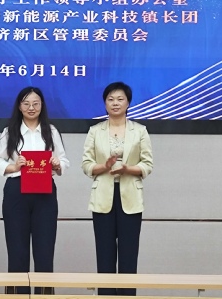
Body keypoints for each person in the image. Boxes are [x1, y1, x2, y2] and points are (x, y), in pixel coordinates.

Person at [0, 86, 69, 294]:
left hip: (45, 192)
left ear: (42, 105)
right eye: (26, 103)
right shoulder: (10, 131)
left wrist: (57, 164)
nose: (31, 107)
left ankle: (44, 296)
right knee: (17, 252)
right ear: (19, 106)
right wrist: (14, 167)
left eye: (35, 103)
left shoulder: (51, 131)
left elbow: (64, 160)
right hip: (16, 192)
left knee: (45, 252)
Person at [81, 82, 153, 296]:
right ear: (105, 103)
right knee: (104, 255)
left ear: (128, 103)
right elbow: (86, 164)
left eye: (120, 99)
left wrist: (127, 169)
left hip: (130, 198)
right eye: (110, 99)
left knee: (129, 256)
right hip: (103, 198)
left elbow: (147, 164)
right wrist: (104, 166)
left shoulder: (140, 131)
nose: (115, 103)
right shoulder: (95, 131)